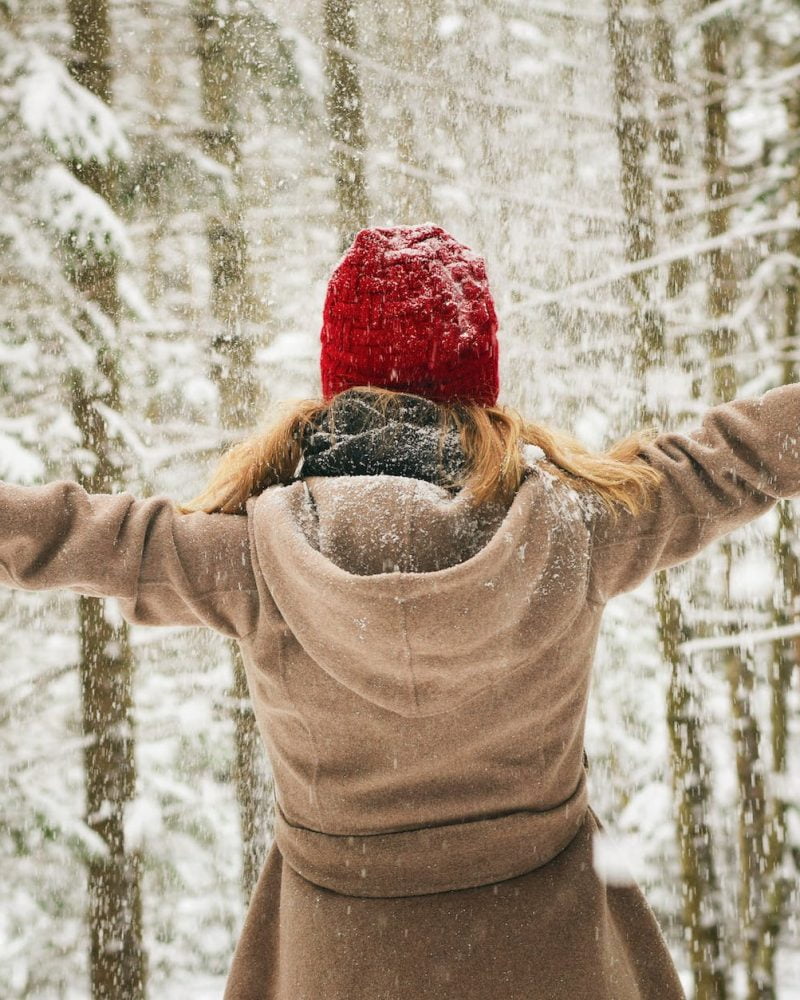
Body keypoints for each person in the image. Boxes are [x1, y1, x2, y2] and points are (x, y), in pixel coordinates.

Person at [1, 224, 798, 1000]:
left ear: (338, 378)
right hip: (553, 959)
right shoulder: (576, 533)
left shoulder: (251, 559)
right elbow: (737, 460)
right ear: (478, 376)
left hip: (339, 966)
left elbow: (80, 536)